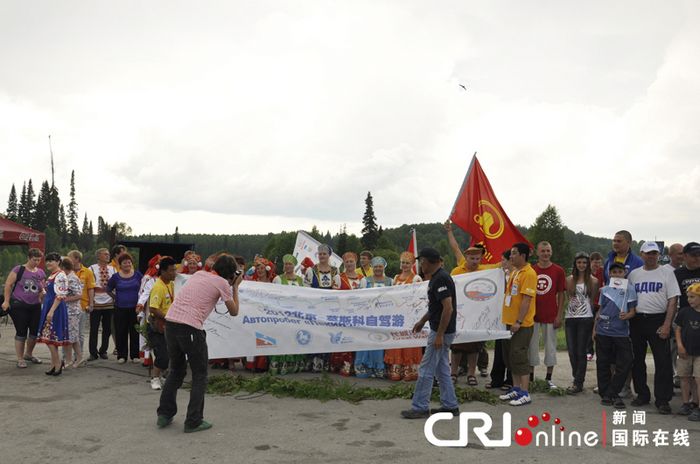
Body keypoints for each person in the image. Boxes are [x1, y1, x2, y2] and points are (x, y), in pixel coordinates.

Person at [157, 254, 242, 433]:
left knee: (176, 371)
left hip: (171, 323)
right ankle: (193, 420)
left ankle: (164, 414)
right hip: (190, 328)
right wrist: (234, 287)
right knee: (199, 374)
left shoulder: (199, 275)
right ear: (230, 272)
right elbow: (234, 311)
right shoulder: (221, 283)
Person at [401, 248, 460, 419]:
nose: (420, 264)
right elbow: (437, 308)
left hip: (441, 332)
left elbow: (448, 309)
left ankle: (420, 407)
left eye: (422, 261)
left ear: (429, 262)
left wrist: (440, 335)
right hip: (440, 330)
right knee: (441, 369)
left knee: (426, 369)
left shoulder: (441, 279)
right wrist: (423, 320)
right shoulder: (437, 278)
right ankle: (450, 405)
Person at [628, 241, 680, 414]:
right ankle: (642, 394)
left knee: (663, 361)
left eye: (654, 253)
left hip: (658, 319)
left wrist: (666, 325)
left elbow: (673, 300)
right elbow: (628, 299)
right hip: (637, 319)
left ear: (659, 255)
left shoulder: (666, 273)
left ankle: (662, 399)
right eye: (648, 253)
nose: (651, 256)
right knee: (637, 360)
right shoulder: (634, 274)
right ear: (641, 254)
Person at [594, 262, 637, 409]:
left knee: (625, 362)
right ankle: (606, 393)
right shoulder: (605, 290)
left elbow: (633, 311)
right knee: (603, 363)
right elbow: (600, 310)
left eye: (620, 272)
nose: (617, 274)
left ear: (624, 273)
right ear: (610, 274)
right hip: (603, 331)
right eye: (614, 272)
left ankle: (612, 392)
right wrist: (594, 329)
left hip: (621, 333)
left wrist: (628, 315)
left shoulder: (630, 289)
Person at [499, 243, 537, 406]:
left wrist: (519, 321)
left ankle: (525, 392)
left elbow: (526, 300)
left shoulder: (529, 273)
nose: (511, 256)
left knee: (519, 356)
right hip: (508, 322)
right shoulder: (515, 271)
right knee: (511, 358)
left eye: (514, 253)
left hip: (521, 324)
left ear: (523, 255)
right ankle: (515, 388)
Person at [448, 244, 492, 387]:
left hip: (477, 313)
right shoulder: (456, 271)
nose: (475, 261)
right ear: (466, 257)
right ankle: (453, 373)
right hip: (460, 313)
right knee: (456, 346)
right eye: (472, 258)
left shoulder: (485, 271)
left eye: (477, 258)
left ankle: (471, 374)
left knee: (474, 346)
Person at [529, 241, 566, 390]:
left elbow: (561, 295)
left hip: (551, 315)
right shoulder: (531, 270)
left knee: (550, 347)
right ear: (537, 253)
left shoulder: (558, 271)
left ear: (551, 252)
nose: (545, 254)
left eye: (548, 251)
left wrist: (559, 315)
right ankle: (530, 377)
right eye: (543, 251)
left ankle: (548, 378)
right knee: (532, 347)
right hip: (533, 316)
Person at [2, 248, 46, 368]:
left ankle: (29, 354)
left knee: (34, 333)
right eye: (34, 259)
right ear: (28, 258)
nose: (36, 262)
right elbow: (8, 285)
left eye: (38, 260)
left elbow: (42, 287)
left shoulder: (41, 272)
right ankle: (20, 359)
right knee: (21, 332)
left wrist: (43, 292)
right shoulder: (19, 269)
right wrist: (6, 301)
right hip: (19, 304)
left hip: (36, 305)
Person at [563, 252, 599, 394]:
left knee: (581, 351)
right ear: (575, 264)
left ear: (588, 264)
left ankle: (578, 382)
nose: (582, 265)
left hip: (586, 318)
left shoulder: (594, 281)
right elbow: (568, 297)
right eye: (579, 262)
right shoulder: (568, 280)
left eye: (584, 262)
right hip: (571, 317)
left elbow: (592, 299)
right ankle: (576, 378)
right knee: (572, 351)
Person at [384, 251, 423, 382]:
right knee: (397, 341)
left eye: (407, 263)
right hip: (397, 316)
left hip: (410, 315)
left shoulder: (417, 278)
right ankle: (396, 368)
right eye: (403, 262)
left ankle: (409, 370)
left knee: (409, 341)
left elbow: (419, 297)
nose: (404, 265)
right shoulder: (395, 277)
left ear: (412, 264)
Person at [355, 257, 392, 379]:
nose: (377, 269)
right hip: (368, 316)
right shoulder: (365, 281)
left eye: (380, 266)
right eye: (375, 266)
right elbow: (360, 298)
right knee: (365, 340)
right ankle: (363, 366)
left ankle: (378, 366)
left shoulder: (390, 281)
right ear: (372, 268)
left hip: (382, 317)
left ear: (383, 267)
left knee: (379, 342)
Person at [36, 254, 73, 376]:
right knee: (49, 339)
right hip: (49, 306)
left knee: (51, 338)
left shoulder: (61, 275)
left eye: (51, 261)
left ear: (58, 262)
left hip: (55, 308)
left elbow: (60, 296)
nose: (48, 263)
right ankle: (54, 363)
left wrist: (51, 311)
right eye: (47, 261)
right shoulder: (52, 275)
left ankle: (57, 363)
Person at [304, 244, 338, 372]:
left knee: (326, 333)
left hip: (328, 307)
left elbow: (336, 289)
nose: (322, 256)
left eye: (324, 254)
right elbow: (306, 289)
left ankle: (325, 361)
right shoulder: (311, 270)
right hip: (315, 307)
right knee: (314, 332)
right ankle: (313, 360)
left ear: (329, 255)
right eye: (320, 254)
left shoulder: (335, 271)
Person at [329, 252, 364, 376]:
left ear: (356, 263)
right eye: (347, 262)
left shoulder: (362, 279)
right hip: (343, 314)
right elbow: (333, 297)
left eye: (352, 262)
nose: (349, 264)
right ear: (344, 263)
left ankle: (355, 364)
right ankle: (343, 364)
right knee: (343, 338)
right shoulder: (338, 278)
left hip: (357, 315)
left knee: (356, 338)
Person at [269, 254, 305, 375]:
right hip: (282, 314)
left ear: (294, 266)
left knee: (294, 338)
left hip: (296, 315)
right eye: (286, 264)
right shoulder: (278, 279)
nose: (287, 266)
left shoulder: (300, 280)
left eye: (290, 264)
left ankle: (293, 365)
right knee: (282, 338)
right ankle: (279, 364)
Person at [107, 253, 143, 364]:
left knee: (135, 331)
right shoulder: (115, 277)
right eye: (124, 262)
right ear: (120, 265)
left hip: (135, 308)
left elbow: (144, 288)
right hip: (120, 308)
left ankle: (135, 355)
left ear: (132, 263)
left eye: (129, 262)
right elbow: (108, 289)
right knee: (120, 331)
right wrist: (115, 297)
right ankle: (121, 356)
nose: (127, 264)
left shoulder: (138, 275)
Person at [147, 256, 177, 390]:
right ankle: (154, 378)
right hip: (158, 326)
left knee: (171, 353)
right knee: (162, 354)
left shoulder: (171, 284)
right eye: (171, 271)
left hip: (169, 325)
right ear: (163, 272)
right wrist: (167, 317)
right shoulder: (158, 287)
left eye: (175, 270)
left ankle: (164, 376)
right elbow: (153, 308)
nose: (174, 273)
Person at [675, 242, 700, 395]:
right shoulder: (678, 274)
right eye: (694, 255)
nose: (698, 258)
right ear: (684, 256)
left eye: (699, 255)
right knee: (685, 357)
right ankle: (687, 395)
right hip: (684, 318)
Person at [487, 250, 513, 390]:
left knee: (510, 349)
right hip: (500, 316)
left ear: (511, 260)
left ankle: (510, 379)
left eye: (504, 260)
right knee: (499, 349)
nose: (501, 263)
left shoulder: (517, 275)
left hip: (512, 316)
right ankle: (496, 379)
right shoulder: (498, 274)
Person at [675, 283, 700, 421]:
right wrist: (679, 345)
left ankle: (697, 405)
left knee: (698, 379)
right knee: (684, 377)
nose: (689, 300)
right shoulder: (684, 312)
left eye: (693, 297)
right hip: (685, 351)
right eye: (688, 297)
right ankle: (686, 403)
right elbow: (678, 329)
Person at [89, 248, 116, 360]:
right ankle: (93, 352)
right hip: (96, 302)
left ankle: (103, 350)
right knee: (94, 328)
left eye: (108, 254)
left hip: (109, 302)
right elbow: (89, 286)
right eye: (105, 254)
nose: (107, 256)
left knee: (107, 328)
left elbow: (116, 284)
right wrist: (90, 301)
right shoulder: (91, 268)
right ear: (98, 256)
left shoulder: (113, 269)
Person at [68, 250, 96, 355]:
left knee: (80, 334)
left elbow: (91, 289)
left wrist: (91, 304)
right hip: (68, 306)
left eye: (69, 257)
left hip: (83, 306)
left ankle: (78, 356)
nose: (67, 259)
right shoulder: (66, 271)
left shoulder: (87, 272)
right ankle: (66, 356)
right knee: (68, 333)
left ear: (77, 259)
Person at [63, 260, 85, 368]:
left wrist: (64, 299)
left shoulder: (72, 278)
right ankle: (72, 358)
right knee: (71, 335)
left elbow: (79, 295)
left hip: (72, 311)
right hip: (68, 311)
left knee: (72, 336)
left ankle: (73, 358)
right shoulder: (68, 277)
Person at [587, 252, 605, 361]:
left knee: (600, 328)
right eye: (595, 262)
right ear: (590, 262)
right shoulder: (587, 273)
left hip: (601, 303)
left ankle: (600, 351)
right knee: (589, 328)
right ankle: (589, 351)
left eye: (599, 262)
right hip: (590, 303)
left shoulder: (603, 272)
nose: (597, 264)